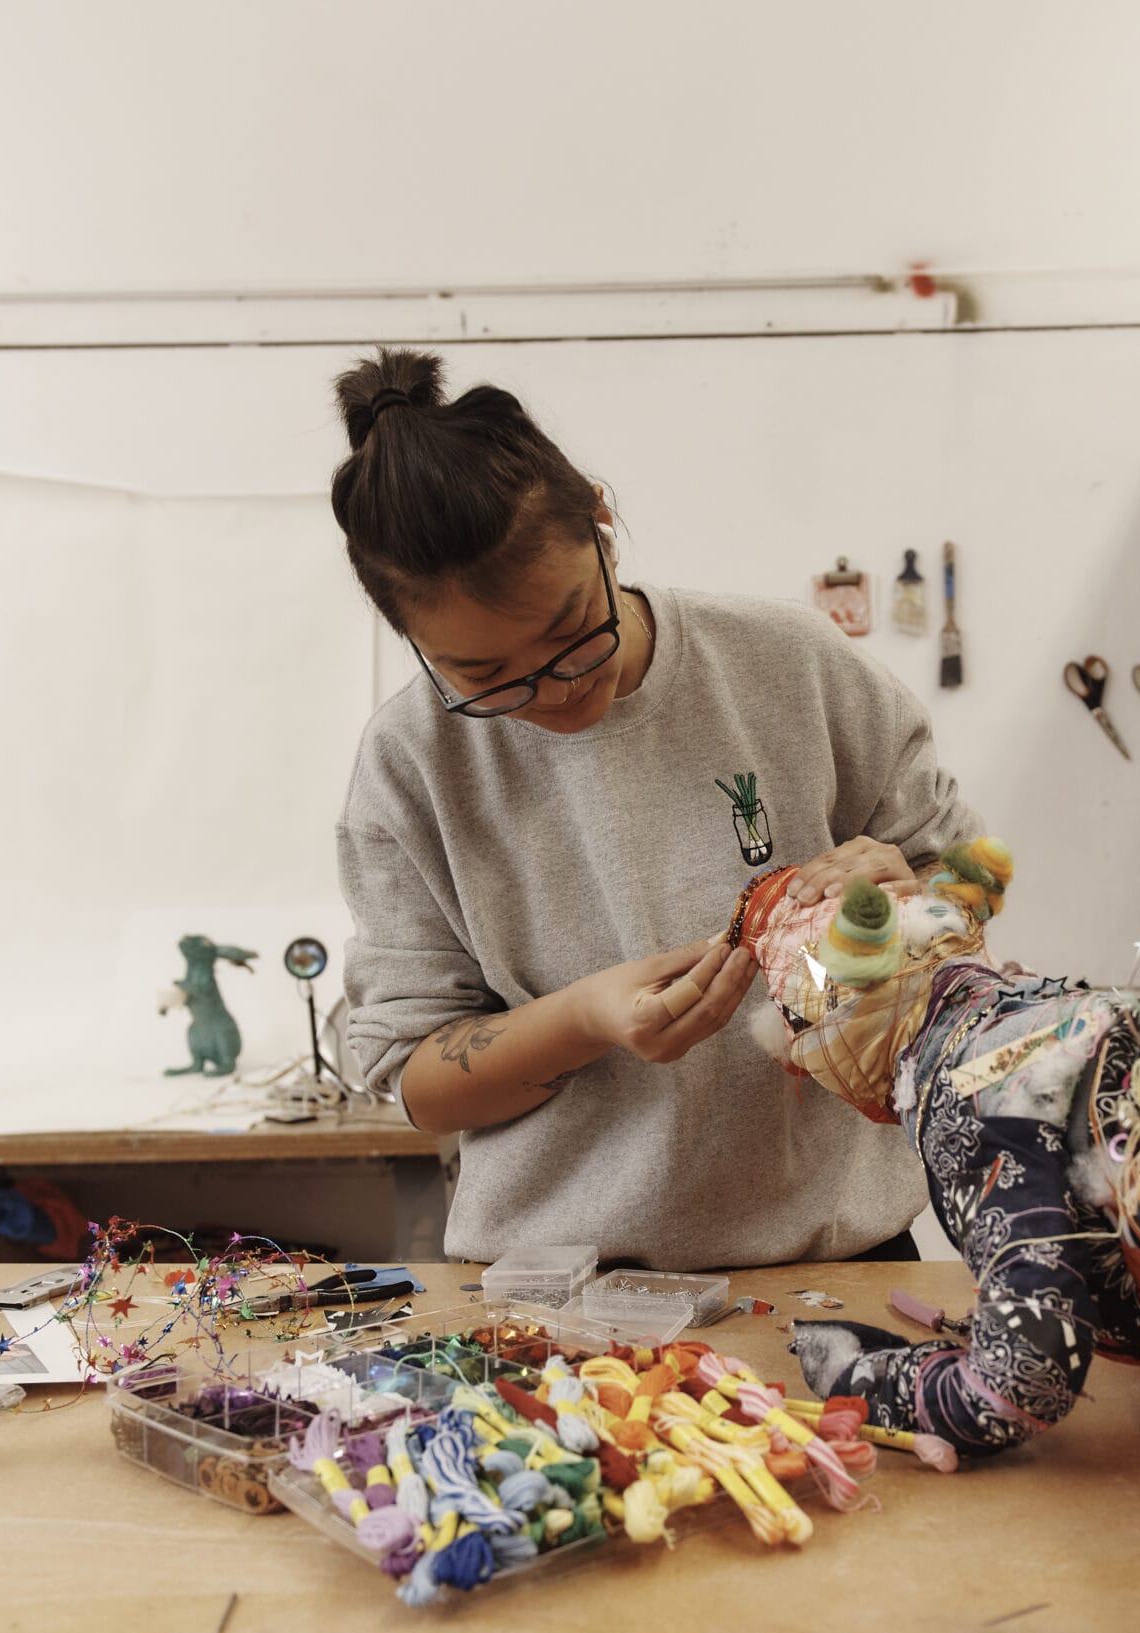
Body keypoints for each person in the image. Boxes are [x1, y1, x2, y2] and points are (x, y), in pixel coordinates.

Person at [330, 348, 981, 1270]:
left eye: (571, 636)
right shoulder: (410, 762)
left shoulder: (790, 665)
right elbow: (418, 1083)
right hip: (558, 1293)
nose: (553, 694)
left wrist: (905, 912)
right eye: (484, 679)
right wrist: (586, 1020)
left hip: (834, 1266)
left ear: (601, 517)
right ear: (408, 636)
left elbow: (963, 889)